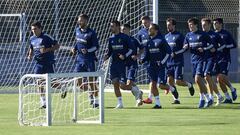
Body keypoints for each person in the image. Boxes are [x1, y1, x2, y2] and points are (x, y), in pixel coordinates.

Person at [104, 20, 142, 109]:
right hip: (114, 64)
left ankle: (137, 92)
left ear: (117, 27)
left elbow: (132, 49)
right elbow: (110, 51)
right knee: (115, 83)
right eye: (111, 26)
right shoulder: (111, 38)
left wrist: (124, 56)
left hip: (123, 64)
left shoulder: (125, 37)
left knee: (123, 86)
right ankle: (120, 103)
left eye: (112, 26)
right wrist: (106, 56)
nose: (111, 28)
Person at [139, 23, 176, 109]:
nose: (149, 30)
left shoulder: (161, 40)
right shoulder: (148, 42)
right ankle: (158, 104)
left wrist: (162, 62)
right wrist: (142, 60)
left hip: (160, 66)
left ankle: (173, 89)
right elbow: (147, 55)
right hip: (151, 66)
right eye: (149, 29)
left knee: (161, 85)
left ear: (156, 30)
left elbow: (169, 52)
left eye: (151, 29)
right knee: (153, 85)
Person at [27, 21, 60, 109]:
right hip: (38, 63)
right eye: (32, 29)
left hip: (49, 62)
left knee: (52, 83)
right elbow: (31, 48)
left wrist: (48, 49)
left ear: (40, 29)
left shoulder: (46, 37)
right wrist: (30, 55)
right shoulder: (32, 38)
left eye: (35, 29)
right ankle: (43, 102)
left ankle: (62, 88)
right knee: (39, 82)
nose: (33, 31)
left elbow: (57, 46)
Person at [183, 17, 213, 108]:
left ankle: (203, 99)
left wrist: (203, 49)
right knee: (198, 81)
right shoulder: (188, 35)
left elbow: (212, 45)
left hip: (202, 59)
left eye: (191, 25)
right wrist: (185, 46)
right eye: (189, 25)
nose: (190, 27)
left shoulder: (203, 34)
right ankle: (206, 99)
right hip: (193, 60)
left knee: (197, 79)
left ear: (196, 25)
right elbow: (185, 45)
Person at [71, 14, 99, 108]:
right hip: (79, 60)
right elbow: (78, 42)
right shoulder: (77, 30)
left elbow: (96, 47)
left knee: (91, 82)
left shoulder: (92, 33)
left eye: (81, 20)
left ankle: (96, 101)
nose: (79, 22)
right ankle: (91, 92)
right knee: (80, 84)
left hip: (90, 60)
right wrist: (74, 49)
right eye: (79, 20)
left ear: (86, 22)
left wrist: (88, 50)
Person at [165, 18, 195, 104]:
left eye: (169, 25)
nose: (168, 26)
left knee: (178, 81)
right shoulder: (166, 37)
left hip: (178, 62)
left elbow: (185, 48)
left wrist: (176, 53)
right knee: (169, 81)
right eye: (167, 25)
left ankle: (189, 85)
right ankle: (176, 99)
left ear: (174, 25)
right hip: (168, 63)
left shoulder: (180, 36)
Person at [213, 18, 237, 103]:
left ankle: (232, 89)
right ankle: (228, 98)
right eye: (214, 23)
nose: (214, 25)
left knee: (221, 77)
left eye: (216, 23)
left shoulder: (226, 34)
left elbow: (234, 45)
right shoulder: (213, 34)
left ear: (220, 24)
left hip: (225, 58)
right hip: (216, 59)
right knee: (219, 80)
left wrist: (224, 46)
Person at [201, 17, 224, 105]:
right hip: (203, 59)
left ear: (209, 25)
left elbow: (223, 45)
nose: (203, 27)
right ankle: (219, 95)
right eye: (202, 25)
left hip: (212, 58)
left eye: (205, 25)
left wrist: (217, 50)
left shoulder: (215, 35)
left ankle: (211, 97)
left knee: (207, 76)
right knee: (208, 79)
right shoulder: (200, 35)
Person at [121, 24, 144, 107]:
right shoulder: (120, 40)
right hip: (122, 65)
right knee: (123, 86)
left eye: (124, 29)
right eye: (122, 29)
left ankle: (138, 98)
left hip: (132, 65)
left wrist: (137, 56)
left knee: (129, 83)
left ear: (129, 30)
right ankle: (138, 93)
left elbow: (142, 48)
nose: (122, 31)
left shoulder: (134, 40)